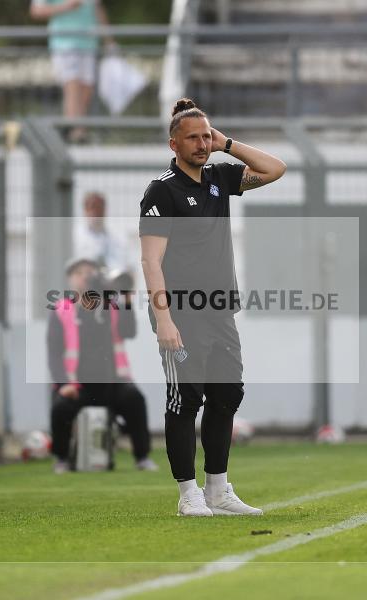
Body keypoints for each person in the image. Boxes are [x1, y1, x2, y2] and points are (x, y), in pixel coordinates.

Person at [139, 98, 286, 517]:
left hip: (219, 310)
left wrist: (228, 144)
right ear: (174, 144)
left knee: (227, 396)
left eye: (207, 136)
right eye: (194, 138)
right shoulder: (162, 190)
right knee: (185, 400)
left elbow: (275, 169)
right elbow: (150, 261)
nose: (202, 144)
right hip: (180, 313)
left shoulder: (220, 176)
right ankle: (189, 495)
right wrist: (163, 319)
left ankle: (218, 491)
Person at [47, 257, 156, 474]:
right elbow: (54, 353)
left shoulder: (111, 306)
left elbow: (129, 332)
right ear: (70, 280)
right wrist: (63, 384)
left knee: (135, 399)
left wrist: (125, 298)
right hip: (78, 384)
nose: (86, 276)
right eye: (80, 273)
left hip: (113, 381)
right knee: (60, 408)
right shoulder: (61, 310)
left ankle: (142, 457)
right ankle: (61, 458)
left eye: (91, 272)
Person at [29, 0, 114, 143]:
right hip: (64, 43)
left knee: (86, 89)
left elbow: (98, 9)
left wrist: (109, 41)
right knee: (72, 85)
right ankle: (77, 132)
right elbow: (36, 11)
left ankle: (74, 130)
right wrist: (66, 6)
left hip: (88, 43)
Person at [74, 191, 130, 273]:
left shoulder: (117, 239)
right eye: (93, 207)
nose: (96, 212)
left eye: (99, 207)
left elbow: (127, 266)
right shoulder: (75, 237)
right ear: (85, 210)